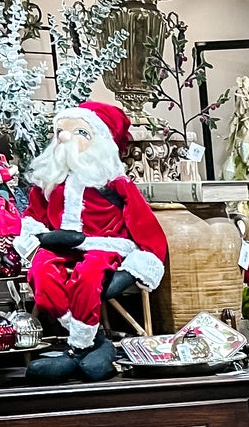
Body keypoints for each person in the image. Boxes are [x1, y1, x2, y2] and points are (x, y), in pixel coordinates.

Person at [16, 100, 167, 382]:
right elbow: (33, 218)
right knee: (41, 272)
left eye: (80, 132)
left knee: (88, 275)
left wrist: (137, 266)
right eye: (60, 131)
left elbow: (145, 227)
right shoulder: (50, 181)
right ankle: (93, 342)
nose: (64, 138)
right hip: (60, 245)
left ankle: (77, 349)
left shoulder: (115, 183)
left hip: (103, 245)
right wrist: (39, 237)